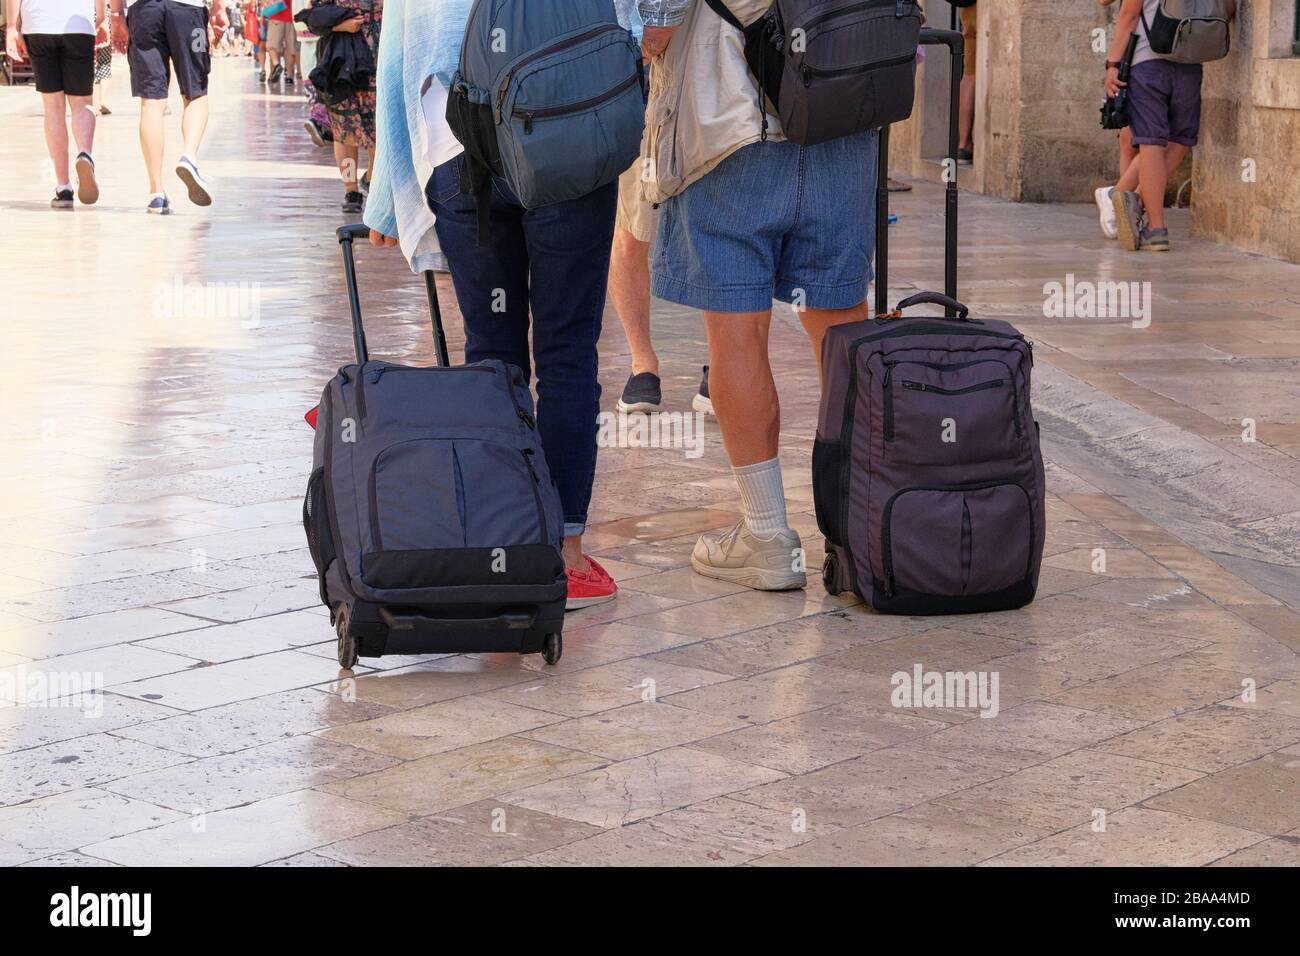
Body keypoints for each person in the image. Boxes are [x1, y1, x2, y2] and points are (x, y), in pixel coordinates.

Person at [365, 0, 622, 610]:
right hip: (567, 129)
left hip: (457, 145)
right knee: (566, 350)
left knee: (491, 354)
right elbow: (634, 21)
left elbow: (397, 51)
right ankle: (565, 554)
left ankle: (501, 544)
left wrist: (384, 192)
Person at [640, 0, 878, 592]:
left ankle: (768, 536)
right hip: (844, 116)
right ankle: (869, 531)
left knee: (737, 329)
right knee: (842, 327)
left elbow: (655, 30)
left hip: (733, 127)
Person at [1100, 0, 1235, 252]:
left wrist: (1112, 66)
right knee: (1181, 140)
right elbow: (1227, 11)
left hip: (1147, 60)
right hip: (1191, 60)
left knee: (1151, 142)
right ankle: (1129, 200)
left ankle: (1156, 228)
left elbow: (1129, 14)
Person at [109, 0, 227, 215]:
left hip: (144, 11)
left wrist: (116, 15)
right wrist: (219, 7)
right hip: (187, 10)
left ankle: (156, 193)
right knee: (195, 93)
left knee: (151, 102)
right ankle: (189, 156)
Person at [6, 0, 104, 208]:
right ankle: (84, 153)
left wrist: (12, 26)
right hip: (79, 23)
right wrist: (104, 15)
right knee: (82, 102)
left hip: (40, 22)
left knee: (53, 107)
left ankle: (63, 187)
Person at [323, 0, 379, 214]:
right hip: (343, 57)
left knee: (379, 127)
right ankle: (351, 189)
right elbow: (312, 16)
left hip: (383, 54)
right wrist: (339, 25)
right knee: (343, 130)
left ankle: (373, 180)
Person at [957, 1, 976, 166]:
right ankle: (964, 143)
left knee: (968, 76)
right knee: (971, 76)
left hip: (968, 9)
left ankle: (963, 145)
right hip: (978, 10)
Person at [263, 0, 294, 85]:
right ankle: (289, 77)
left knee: (272, 46)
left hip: (276, 16)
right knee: (289, 48)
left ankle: (276, 66)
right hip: (291, 16)